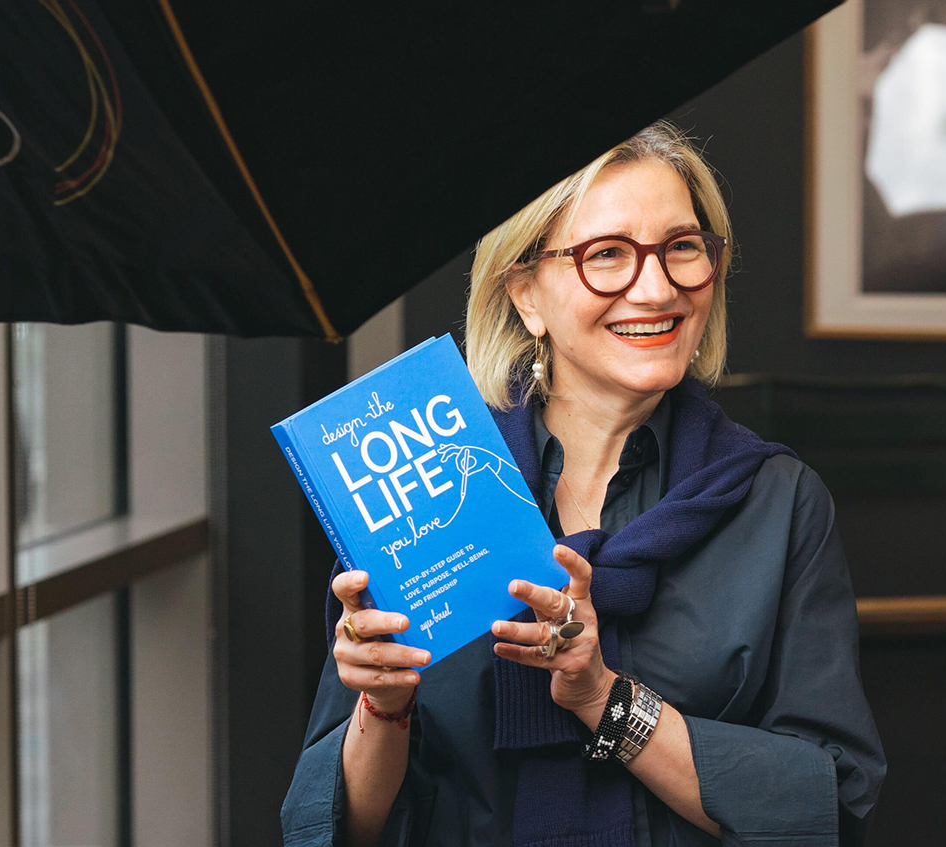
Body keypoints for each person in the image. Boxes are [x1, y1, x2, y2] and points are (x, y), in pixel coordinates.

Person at [282, 122, 886, 847]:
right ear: (527, 294)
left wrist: (604, 697)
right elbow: (335, 829)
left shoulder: (777, 501)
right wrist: (382, 707)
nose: (658, 287)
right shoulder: (424, 487)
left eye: (682, 248)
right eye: (607, 255)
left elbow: (828, 806)